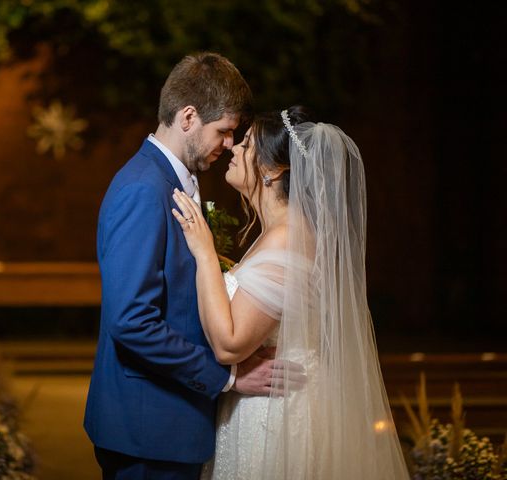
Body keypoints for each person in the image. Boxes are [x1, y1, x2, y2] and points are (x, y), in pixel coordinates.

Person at [84, 52, 293, 480]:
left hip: (169, 422)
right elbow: (132, 322)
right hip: (148, 428)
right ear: (188, 117)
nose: (230, 144)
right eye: (224, 131)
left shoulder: (174, 181)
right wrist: (226, 379)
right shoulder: (144, 189)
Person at [171, 106, 410, 479]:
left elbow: (229, 344)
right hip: (266, 401)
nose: (233, 148)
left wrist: (203, 254)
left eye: (247, 143)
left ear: (275, 169)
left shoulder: (288, 240)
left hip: (276, 413)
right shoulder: (281, 234)